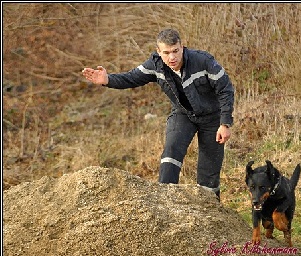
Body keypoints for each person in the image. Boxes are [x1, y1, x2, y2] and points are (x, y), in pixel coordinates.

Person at [82, 28, 235, 200]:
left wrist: (225, 123)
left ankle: (212, 213)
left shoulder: (203, 61)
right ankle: (165, 202)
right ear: (158, 52)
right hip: (182, 114)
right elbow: (131, 77)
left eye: (176, 51)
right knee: (171, 151)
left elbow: (225, 90)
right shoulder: (155, 65)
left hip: (212, 118)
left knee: (208, 173)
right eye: (166, 52)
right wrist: (107, 80)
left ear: (182, 47)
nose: (172, 57)